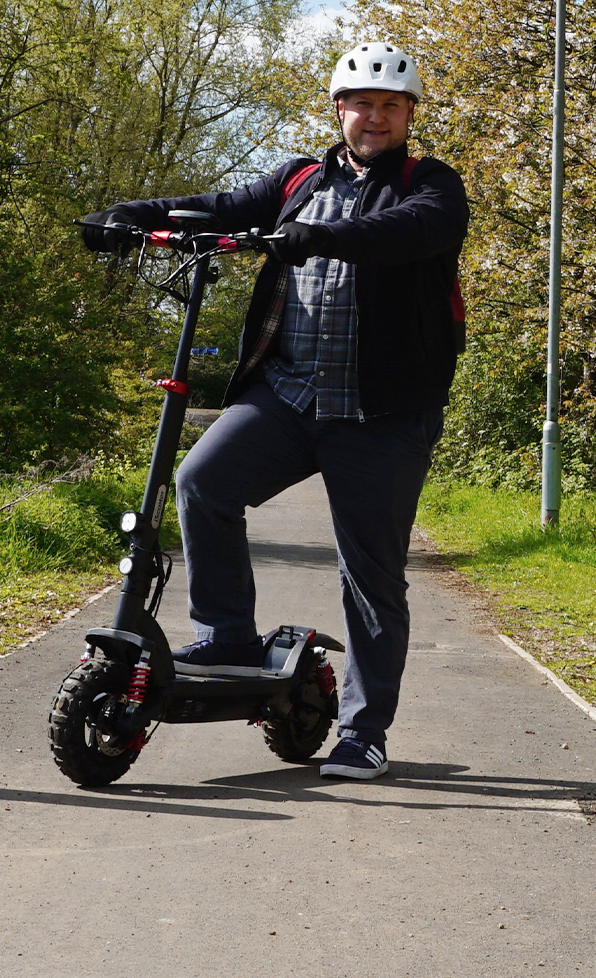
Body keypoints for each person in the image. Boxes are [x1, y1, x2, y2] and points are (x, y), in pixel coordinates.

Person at [82, 41, 469, 780]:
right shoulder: (297, 179)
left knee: (371, 574)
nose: (376, 118)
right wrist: (128, 215)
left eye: (392, 106)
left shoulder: (431, 185)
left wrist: (318, 237)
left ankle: (362, 732)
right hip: (288, 396)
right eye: (364, 104)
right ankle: (227, 635)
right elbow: (218, 209)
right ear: (339, 110)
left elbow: (414, 233)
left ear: (409, 115)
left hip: (382, 414)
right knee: (204, 482)